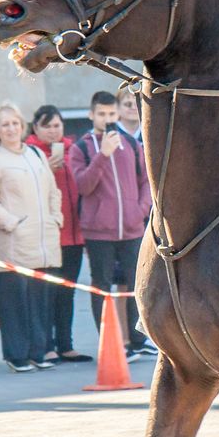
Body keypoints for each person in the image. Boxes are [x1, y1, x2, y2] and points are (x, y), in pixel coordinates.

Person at [69, 91, 154, 361]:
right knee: (102, 286)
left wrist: (139, 211)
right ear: (92, 115)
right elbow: (82, 185)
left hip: (131, 228)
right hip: (99, 231)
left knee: (135, 285)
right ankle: (111, 343)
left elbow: (145, 181)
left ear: (117, 114)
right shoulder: (81, 147)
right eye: (101, 114)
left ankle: (137, 340)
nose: (107, 119)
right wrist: (102, 155)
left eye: (110, 114)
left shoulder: (131, 144)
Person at [0, 103, 62, 373]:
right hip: (14, 240)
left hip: (43, 238)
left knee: (40, 299)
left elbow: (53, 190)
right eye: (5, 125)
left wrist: (55, 217)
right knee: (15, 299)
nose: (11, 129)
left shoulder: (36, 153)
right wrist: (10, 223)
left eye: (15, 123)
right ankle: (16, 354)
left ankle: (38, 351)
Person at [28, 105, 89, 364]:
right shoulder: (31, 153)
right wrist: (47, 170)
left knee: (68, 291)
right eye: (47, 126)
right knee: (47, 292)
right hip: (50, 233)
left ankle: (66, 344)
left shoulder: (73, 150)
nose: (53, 131)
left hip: (74, 234)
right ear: (36, 129)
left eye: (57, 126)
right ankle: (47, 345)